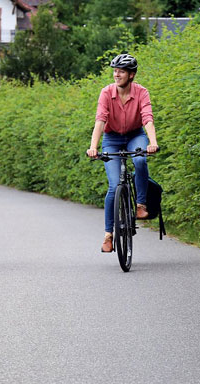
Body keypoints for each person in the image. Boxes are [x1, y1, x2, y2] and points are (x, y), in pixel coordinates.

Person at [86, 53, 159, 253]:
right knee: (113, 185)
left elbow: (147, 118)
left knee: (140, 160)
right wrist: (94, 147)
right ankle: (108, 235)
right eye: (115, 71)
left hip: (135, 135)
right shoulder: (106, 93)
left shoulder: (142, 92)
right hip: (112, 139)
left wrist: (152, 142)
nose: (116, 75)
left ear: (131, 75)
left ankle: (141, 205)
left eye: (121, 71)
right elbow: (100, 121)